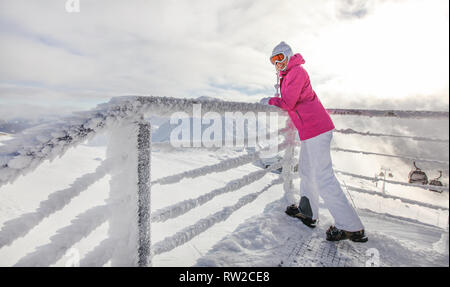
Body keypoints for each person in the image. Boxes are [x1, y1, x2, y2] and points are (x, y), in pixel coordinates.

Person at [267, 41, 367, 242]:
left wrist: (269, 100)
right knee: (307, 170)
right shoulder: (288, 75)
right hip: (310, 130)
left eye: (280, 59)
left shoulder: (296, 72)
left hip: (315, 129)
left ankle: (351, 227)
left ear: (288, 56)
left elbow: (288, 102)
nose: (277, 64)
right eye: (273, 61)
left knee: (323, 176)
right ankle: (308, 212)